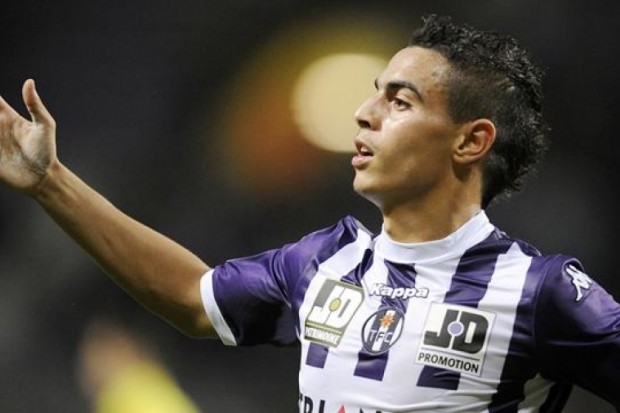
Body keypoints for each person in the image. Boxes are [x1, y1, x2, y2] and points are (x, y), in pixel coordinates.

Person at [0, 13, 618, 412]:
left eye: (399, 102)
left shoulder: (540, 292)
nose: (364, 114)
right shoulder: (324, 260)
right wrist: (50, 182)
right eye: (374, 95)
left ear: (471, 141)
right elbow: (193, 297)